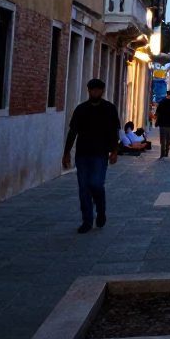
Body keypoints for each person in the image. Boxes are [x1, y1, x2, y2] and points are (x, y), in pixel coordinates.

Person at [63, 78, 121, 233]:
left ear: (102, 91)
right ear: (88, 90)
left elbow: (113, 132)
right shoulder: (81, 109)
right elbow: (72, 131)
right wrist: (67, 152)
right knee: (83, 188)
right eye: (91, 90)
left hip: (100, 154)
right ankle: (87, 221)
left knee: (96, 184)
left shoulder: (109, 109)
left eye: (97, 90)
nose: (94, 92)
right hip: (82, 153)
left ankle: (100, 211)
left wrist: (114, 151)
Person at [155, 92, 170, 158]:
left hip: (163, 124)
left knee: (163, 139)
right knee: (169, 139)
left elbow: (157, 113)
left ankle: (162, 152)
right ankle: (167, 152)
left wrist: (157, 121)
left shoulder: (162, 102)